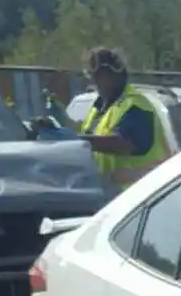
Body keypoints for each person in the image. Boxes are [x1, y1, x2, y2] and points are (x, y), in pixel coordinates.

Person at [53, 47, 170, 194]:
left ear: (110, 75)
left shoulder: (136, 105)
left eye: (96, 76)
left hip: (139, 197)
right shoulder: (101, 105)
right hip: (108, 198)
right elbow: (90, 133)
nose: (94, 82)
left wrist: (77, 141)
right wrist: (60, 125)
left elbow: (123, 143)